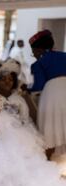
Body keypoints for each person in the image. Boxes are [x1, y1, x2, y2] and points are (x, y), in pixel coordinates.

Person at [27, 29, 66, 160]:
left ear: (38, 50)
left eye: (33, 52)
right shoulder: (64, 56)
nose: (34, 55)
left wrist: (26, 88)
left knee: (51, 129)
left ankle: (47, 160)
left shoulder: (38, 64)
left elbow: (38, 86)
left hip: (52, 95)